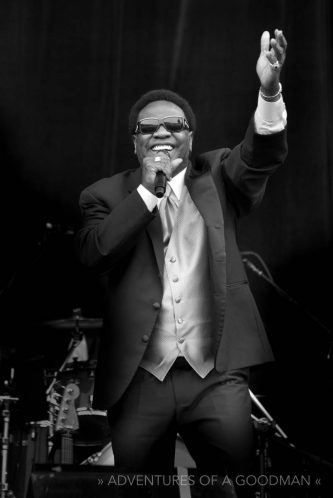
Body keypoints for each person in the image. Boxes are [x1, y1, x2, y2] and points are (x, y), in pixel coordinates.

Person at [77, 29, 287, 497]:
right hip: (139, 381)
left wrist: (269, 90)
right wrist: (147, 194)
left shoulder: (217, 175)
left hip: (215, 377)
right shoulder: (104, 195)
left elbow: (261, 156)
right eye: (149, 129)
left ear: (191, 139)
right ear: (135, 143)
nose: (162, 134)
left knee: (233, 488)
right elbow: (95, 253)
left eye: (174, 126)